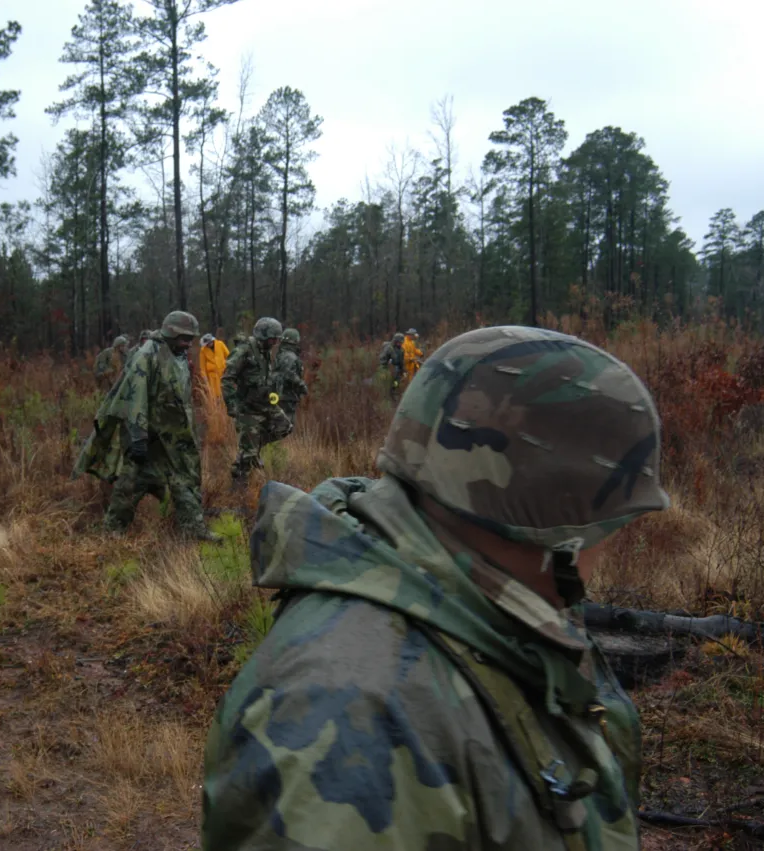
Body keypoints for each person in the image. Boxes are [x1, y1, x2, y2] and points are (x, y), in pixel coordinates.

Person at [202, 326, 669, 850]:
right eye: (612, 527)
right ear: (555, 524)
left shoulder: (482, 617)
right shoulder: (352, 726)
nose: (606, 550)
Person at [74, 311, 219, 542]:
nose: (188, 343)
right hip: (148, 435)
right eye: (184, 338)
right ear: (171, 334)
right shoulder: (147, 355)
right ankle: (113, 531)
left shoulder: (178, 355)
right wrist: (139, 437)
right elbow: (135, 396)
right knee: (132, 482)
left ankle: (194, 528)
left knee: (185, 479)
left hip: (174, 437)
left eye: (191, 339)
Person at [221, 317, 291, 486]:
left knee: (285, 427)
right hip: (248, 408)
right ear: (263, 336)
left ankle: (251, 448)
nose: (275, 342)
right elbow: (227, 379)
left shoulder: (265, 350)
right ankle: (238, 484)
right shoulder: (244, 350)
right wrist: (232, 406)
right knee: (248, 453)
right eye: (273, 338)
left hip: (265, 403)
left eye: (276, 339)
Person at [273, 327, 308, 425]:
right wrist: (302, 385)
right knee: (286, 424)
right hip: (286, 396)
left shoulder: (281, 354)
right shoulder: (289, 356)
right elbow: (289, 374)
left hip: (281, 395)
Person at [198, 333, 230, 400]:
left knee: (225, 393)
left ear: (212, 341)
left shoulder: (220, 344)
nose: (208, 345)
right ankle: (217, 408)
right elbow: (202, 365)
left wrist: (229, 368)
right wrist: (204, 378)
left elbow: (228, 356)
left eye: (209, 343)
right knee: (215, 395)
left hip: (223, 373)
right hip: (212, 377)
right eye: (206, 344)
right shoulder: (203, 350)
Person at [379, 331, 406, 398]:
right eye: (399, 342)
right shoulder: (389, 348)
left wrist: (402, 370)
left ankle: (393, 391)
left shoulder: (401, 350)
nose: (400, 343)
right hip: (387, 368)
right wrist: (386, 366)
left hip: (397, 369)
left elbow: (401, 361)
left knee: (396, 382)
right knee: (387, 383)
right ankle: (387, 394)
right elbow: (382, 358)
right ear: (395, 341)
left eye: (401, 342)